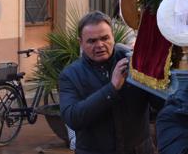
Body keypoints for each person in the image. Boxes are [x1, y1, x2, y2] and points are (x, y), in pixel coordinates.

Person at [59, 11, 157, 154]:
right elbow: (73, 118)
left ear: (113, 37)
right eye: (92, 41)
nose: (100, 45)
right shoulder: (70, 75)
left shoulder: (134, 62)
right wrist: (112, 89)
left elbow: (159, 104)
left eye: (105, 38)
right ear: (80, 42)